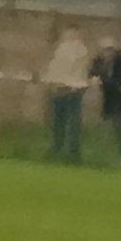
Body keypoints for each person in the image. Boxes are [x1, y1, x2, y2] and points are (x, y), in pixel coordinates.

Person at [41, 26, 91, 162]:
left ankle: (69, 150)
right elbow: (55, 69)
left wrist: (58, 83)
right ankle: (61, 149)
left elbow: (75, 71)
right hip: (62, 89)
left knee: (68, 122)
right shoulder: (62, 49)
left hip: (70, 90)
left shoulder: (78, 49)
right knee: (62, 122)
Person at [90, 37, 121, 163]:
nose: (106, 53)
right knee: (109, 129)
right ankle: (107, 155)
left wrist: (103, 82)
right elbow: (93, 72)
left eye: (109, 50)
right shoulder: (100, 62)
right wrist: (95, 78)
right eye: (104, 50)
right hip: (108, 100)